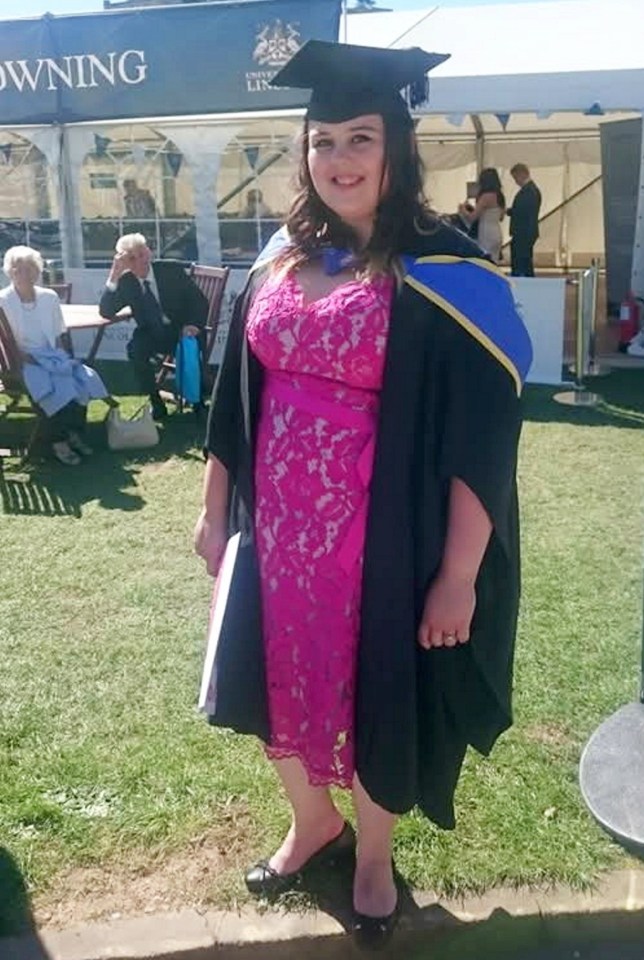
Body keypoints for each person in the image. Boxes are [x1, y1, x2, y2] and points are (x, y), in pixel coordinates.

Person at [194, 40, 532, 951]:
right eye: (321, 140)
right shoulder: (278, 254)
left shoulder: (442, 271)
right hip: (277, 532)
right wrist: (214, 502)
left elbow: (481, 438)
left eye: (359, 138)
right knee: (271, 674)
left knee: (374, 689)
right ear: (302, 153)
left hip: (380, 539)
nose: (339, 159)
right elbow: (236, 388)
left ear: (396, 150)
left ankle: (374, 854)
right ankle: (313, 824)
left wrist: (458, 573)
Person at [0, 245, 106, 466]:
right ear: (9, 272)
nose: (24, 274)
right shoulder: (3, 300)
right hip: (20, 361)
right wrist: (35, 361)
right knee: (49, 384)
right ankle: (59, 441)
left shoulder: (49, 297)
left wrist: (60, 359)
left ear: (38, 271)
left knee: (80, 377)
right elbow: (6, 345)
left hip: (51, 355)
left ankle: (73, 433)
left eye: (30, 268)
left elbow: (58, 334)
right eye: (18, 269)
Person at [99, 233, 208, 420]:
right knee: (135, 349)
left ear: (148, 253)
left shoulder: (170, 270)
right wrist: (114, 274)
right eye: (132, 258)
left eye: (142, 254)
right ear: (125, 262)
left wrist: (193, 325)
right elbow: (106, 312)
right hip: (151, 332)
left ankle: (198, 403)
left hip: (181, 328)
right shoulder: (126, 282)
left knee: (189, 345)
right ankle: (156, 403)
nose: (139, 261)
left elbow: (199, 302)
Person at [458, 167, 506, 262]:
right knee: (494, 261)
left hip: (486, 233)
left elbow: (472, 218)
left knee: (485, 262)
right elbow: (501, 217)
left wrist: (463, 209)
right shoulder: (500, 196)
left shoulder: (486, 196)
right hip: (497, 231)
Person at [507, 163, 542, 277]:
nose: (515, 181)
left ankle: (523, 281)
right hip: (526, 232)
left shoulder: (529, 191)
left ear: (522, 174)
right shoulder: (531, 190)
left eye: (515, 178)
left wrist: (508, 211)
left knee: (521, 261)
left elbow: (522, 211)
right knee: (525, 261)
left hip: (524, 232)